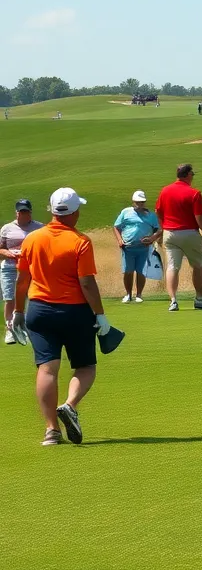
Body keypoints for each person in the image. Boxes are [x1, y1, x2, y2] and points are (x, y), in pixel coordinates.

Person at [12, 188, 114, 446]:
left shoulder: (32, 239)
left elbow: (23, 279)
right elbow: (87, 283)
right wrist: (100, 315)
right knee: (86, 366)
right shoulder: (80, 241)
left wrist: (18, 311)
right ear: (74, 212)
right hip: (75, 311)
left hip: (39, 310)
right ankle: (69, 405)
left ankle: (51, 431)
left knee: (47, 369)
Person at [155, 163, 202, 311]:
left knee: (172, 267)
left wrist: (163, 228)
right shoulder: (194, 193)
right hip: (189, 233)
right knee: (198, 265)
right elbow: (199, 218)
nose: (193, 176)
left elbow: (158, 211)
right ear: (187, 175)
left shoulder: (165, 191)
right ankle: (200, 298)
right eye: (192, 174)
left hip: (170, 234)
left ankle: (173, 301)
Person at [2, 199, 44, 345]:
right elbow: (1, 249)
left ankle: (26, 327)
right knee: (9, 298)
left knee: (31, 297)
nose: (24, 214)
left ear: (31, 212)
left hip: (31, 268)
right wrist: (9, 253)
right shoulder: (7, 228)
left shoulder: (39, 228)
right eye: (21, 211)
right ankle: (10, 330)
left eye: (26, 211)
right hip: (10, 267)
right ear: (17, 212)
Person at [112, 190, 162, 303]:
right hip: (128, 247)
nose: (140, 204)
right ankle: (128, 294)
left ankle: (139, 295)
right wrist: (120, 240)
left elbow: (159, 230)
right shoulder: (126, 212)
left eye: (142, 202)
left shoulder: (150, 215)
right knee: (128, 271)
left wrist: (151, 239)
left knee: (141, 271)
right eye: (138, 202)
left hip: (143, 248)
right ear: (134, 202)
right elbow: (116, 226)